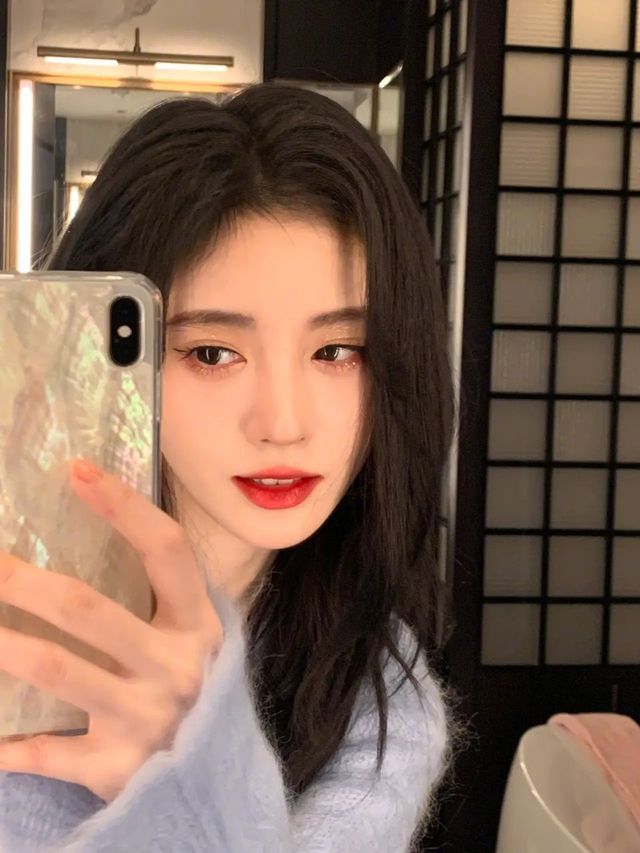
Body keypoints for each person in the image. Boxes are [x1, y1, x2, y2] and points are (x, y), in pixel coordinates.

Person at [0, 83, 465, 851]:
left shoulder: (379, 696)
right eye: (213, 353)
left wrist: (192, 775)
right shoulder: (23, 614)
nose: (282, 423)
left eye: (337, 350)